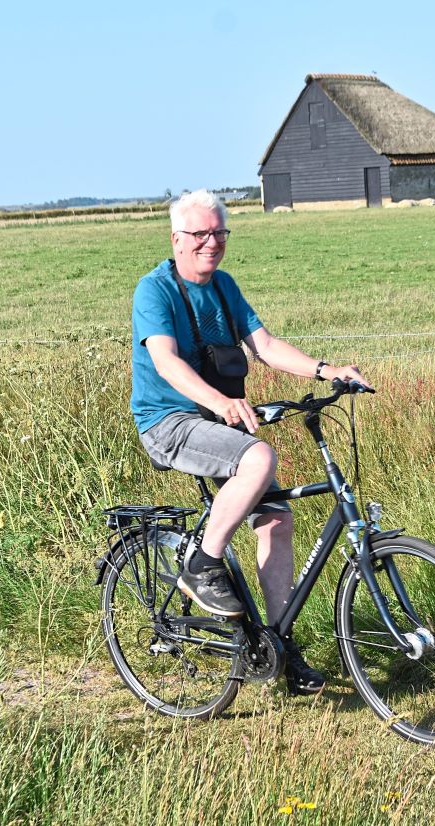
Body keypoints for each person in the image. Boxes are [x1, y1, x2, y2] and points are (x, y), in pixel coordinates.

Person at [130, 189, 371, 695]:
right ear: (176, 238)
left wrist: (327, 370)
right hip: (168, 421)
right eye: (200, 234)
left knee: (277, 520)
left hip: (217, 426)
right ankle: (202, 562)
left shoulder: (223, 288)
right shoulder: (155, 291)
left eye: (219, 233)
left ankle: (281, 649)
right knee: (259, 455)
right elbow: (166, 361)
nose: (211, 242)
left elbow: (264, 345)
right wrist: (220, 403)